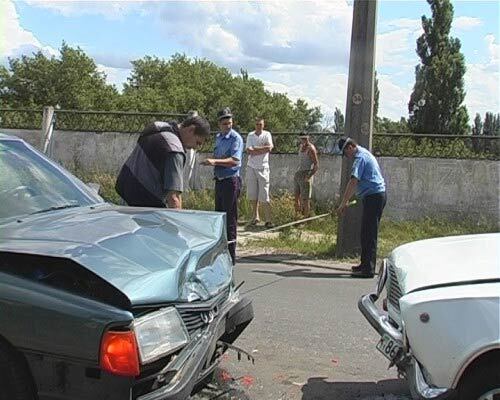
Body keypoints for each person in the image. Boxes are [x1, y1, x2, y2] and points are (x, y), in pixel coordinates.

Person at [115, 116, 210, 209]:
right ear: (191, 130)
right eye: (198, 142)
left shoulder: (157, 126)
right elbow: (174, 198)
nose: (196, 147)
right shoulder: (174, 150)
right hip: (143, 208)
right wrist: (178, 223)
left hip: (124, 193)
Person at [335, 136, 386, 278]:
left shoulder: (360, 158)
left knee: (369, 234)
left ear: (350, 147)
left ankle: (368, 270)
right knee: (365, 233)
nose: (347, 156)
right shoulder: (363, 153)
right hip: (372, 197)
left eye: (346, 153)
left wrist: (344, 202)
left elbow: (353, 181)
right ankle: (364, 264)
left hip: (374, 197)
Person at [201, 108, 244, 265]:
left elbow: (235, 160)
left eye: (230, 123)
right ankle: (220, 255)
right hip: (219, 180)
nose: (228, 126)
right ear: (219, 124)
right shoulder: (219, 138)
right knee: (219, 218)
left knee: (230, 220)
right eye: (225, 123)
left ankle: (231, 258)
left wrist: (215, 162)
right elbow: (218, 156)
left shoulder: (235, 139)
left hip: (231, 180)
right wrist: (211, 160)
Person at [246, 117, 274, 228]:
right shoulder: (250, 135)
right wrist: (262, 149)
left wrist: (256, 149)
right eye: (257, 124)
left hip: (263, 167)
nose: (259, 126)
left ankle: (268, 219)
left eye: (260, 124)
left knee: (264, 193)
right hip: (251, 166)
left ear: (264, 125)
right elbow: (249, 150)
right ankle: (255, 217)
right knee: (253, 193)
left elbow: (269, 148)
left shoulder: (267, 135)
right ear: (255, 125)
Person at [294, 134, 319, 218]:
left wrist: (309, 176)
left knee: (305, 199)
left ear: (308, 138)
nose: (304, 140)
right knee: (296, 197)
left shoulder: (311, 148)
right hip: (299, 173)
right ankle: (297, 217)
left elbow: (316, 165)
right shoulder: (301, 146)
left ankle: (305, 219)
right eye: (302, 138)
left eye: (305, 138)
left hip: (306, 173)